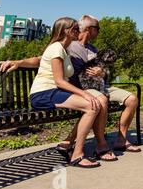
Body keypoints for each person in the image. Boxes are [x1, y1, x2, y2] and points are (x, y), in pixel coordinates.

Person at [28, 17, 104, 168]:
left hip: (54, 92)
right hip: (44, 93)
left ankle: (69, 144)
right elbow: (59, 81)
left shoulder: (64, 50)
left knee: (92, 105)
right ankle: (77, 155)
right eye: (75, 29)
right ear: (65, 31)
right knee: (92, 106)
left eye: (78, 28)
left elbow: (42, 61)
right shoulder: (56, 48)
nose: (78, 31)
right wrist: (84, 94)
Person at [67, 15, 140, 153]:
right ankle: (101, 144)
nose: (99, 32)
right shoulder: (70, 47)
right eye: (98, 29)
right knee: (102, 100)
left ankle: (121, 139)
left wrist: (102, 72)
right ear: (89, 29)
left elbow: (106, 73)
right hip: (82, 89)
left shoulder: (94, 49)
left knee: (132, 99)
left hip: (101, 86)